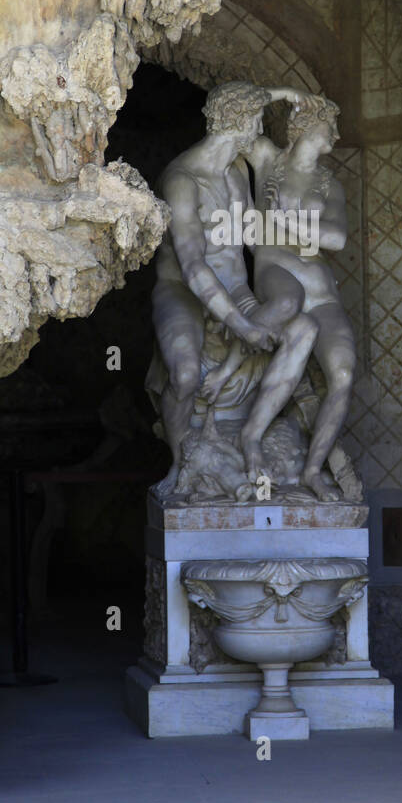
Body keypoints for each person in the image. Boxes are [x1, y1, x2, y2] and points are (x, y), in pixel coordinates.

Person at [149, 80, 316, 499]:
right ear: (242, 124)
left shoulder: (238, 171)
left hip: (236, 289)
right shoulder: (181, 180)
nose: (259, 133)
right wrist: (239, 324)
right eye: (256, 123)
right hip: (183, 293)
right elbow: (192, 266)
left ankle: (252, 435)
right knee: (185, 374)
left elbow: (251, 245)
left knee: (305, 329)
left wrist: (280, 94)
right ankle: (180, 464)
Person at [247, 92, 356, 501]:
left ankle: (314, 469)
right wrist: (282, 94)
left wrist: (285, 221)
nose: (337, 134)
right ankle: (248, 427)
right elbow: (230, 115)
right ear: (306, 125)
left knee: (343, 374)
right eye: (331, 125)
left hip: (323, 290)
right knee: (288, 304)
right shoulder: (265, 160)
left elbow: (337, 238)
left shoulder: (332, 185)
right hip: (278, 274)